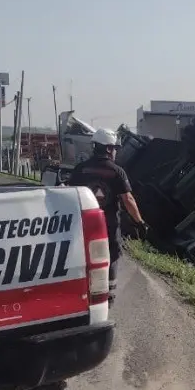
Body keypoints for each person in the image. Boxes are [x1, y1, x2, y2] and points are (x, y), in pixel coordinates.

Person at [67, 128, 145, 307]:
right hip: (107, 225)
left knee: (84, 257)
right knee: (112, 256)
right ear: (109, 149)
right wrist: (139, 222)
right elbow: (128, 199)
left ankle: (83, 293)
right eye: (115, 148)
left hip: (83, 225)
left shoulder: (81, 169)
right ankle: (107, 297)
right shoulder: (117, 172)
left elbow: (70, 193)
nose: (116, 151)